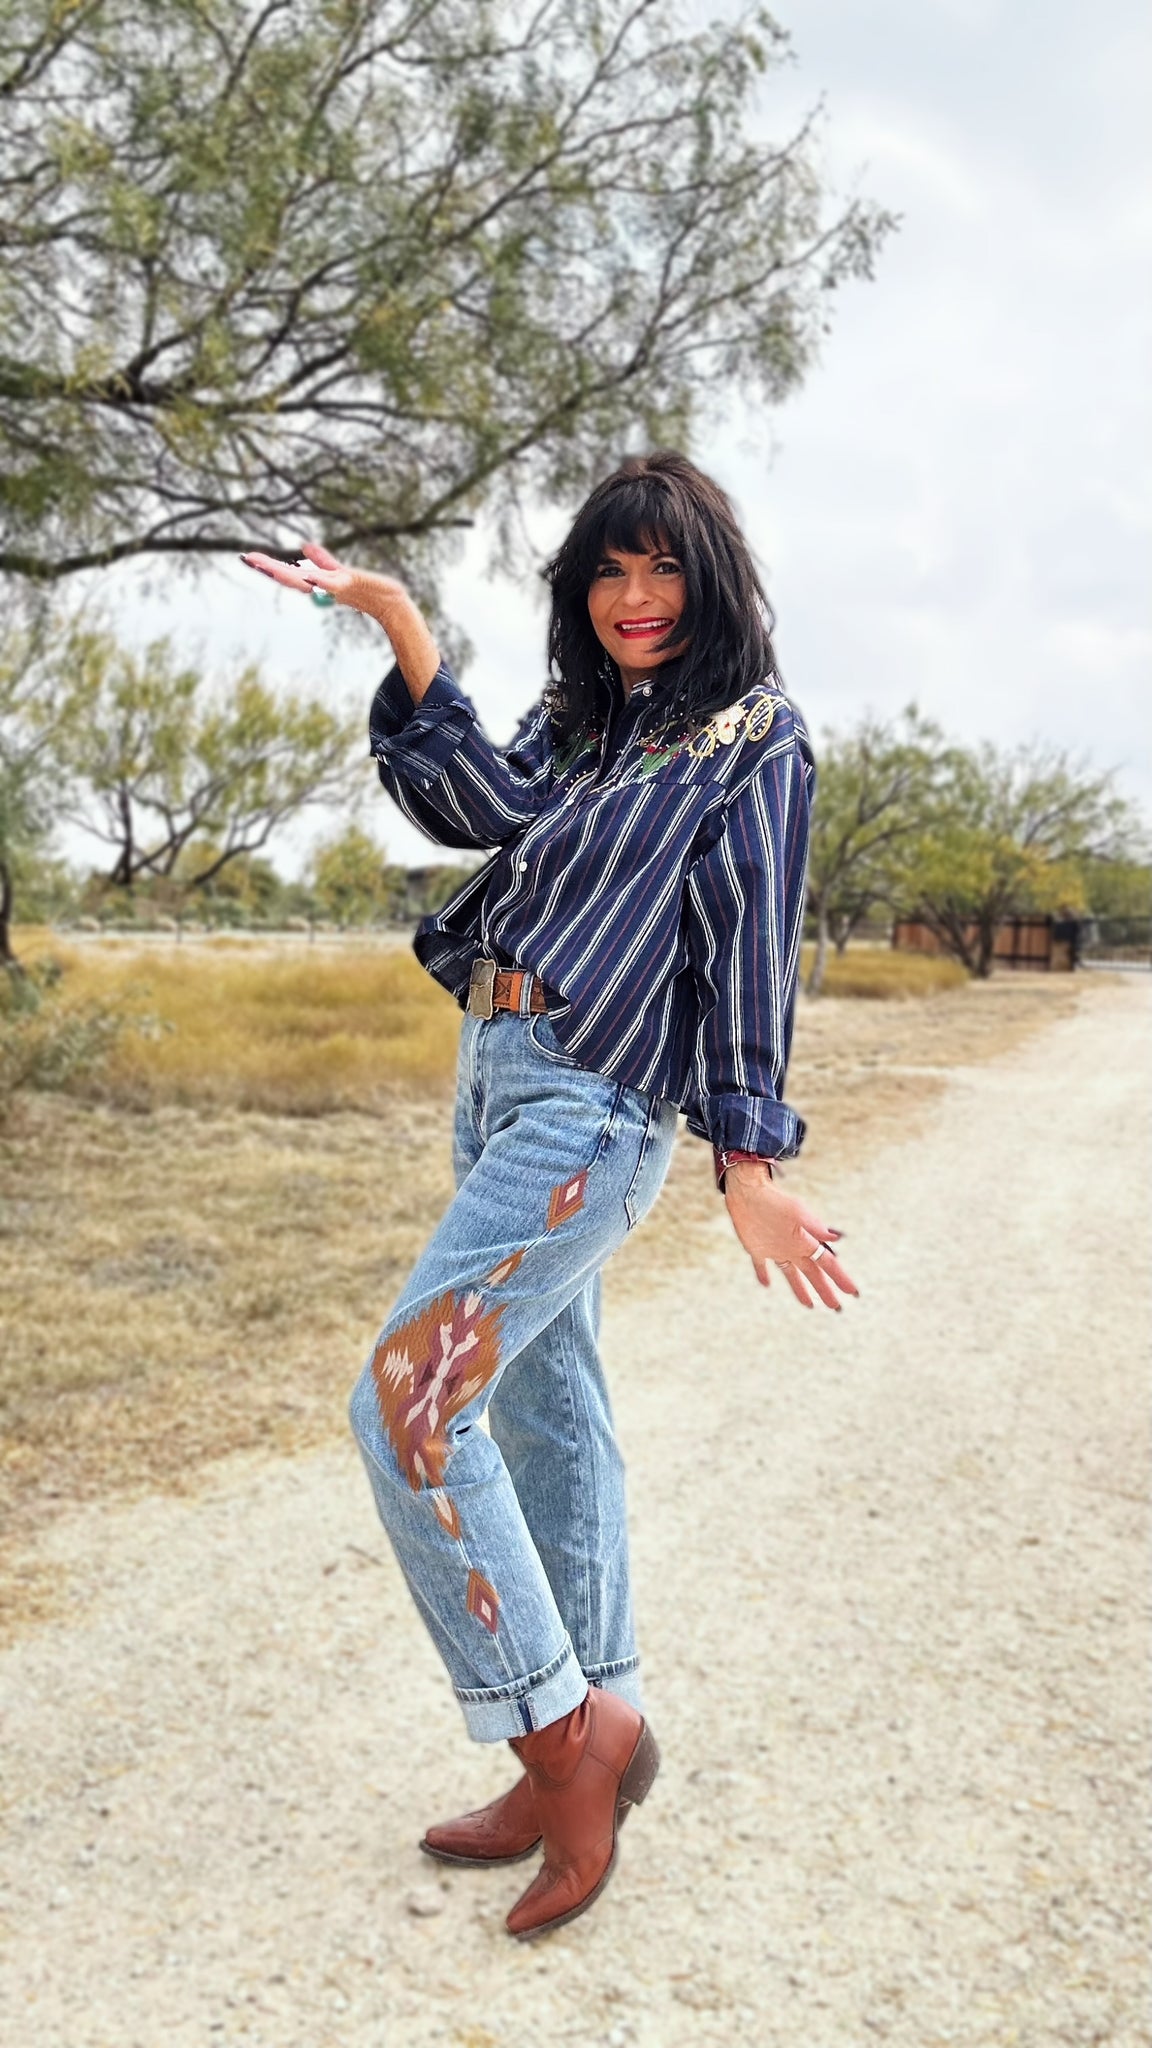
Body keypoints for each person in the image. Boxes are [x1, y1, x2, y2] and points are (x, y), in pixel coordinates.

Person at [240, 450, 858, 1942]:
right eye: (609, 571)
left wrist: (751, 1163)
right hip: (499, 1077)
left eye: (664, 568)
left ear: (712, 581)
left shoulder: (756, 738)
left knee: (408, 1399)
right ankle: (598, 1709)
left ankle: (559, 1743)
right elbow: (475, 805)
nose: (636, 598)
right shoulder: (577, 723)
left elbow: (750, 950)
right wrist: (400, 623)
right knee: (545, 1408)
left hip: (595, 1105)